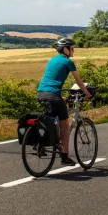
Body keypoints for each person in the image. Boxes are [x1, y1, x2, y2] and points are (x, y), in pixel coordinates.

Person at [37, 37, 93, 166]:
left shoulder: (52, 60)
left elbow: (51, 81)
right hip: (52, 95)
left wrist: (59, 97)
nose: (73, 51)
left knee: (51, 120)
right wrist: (87, 93)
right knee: (65, 124)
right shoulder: (68, 62)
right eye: (72, 48)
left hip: (41, 93)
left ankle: (43, 145)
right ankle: (65, 156)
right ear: (66, 49)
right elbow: (79, 82)